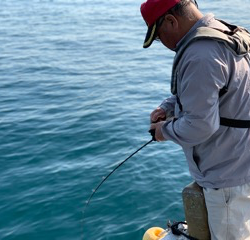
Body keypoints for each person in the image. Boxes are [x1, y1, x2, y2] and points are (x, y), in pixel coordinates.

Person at [140, 0, 250, 239]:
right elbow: (217, 92)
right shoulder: (222, 32)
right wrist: (167, 107)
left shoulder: (199, 55)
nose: (163, 44)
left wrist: (163, 131)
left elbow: (200, 126)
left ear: (171, 20)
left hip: (227, 175)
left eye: (159, 36)